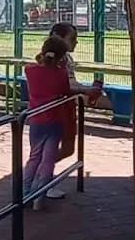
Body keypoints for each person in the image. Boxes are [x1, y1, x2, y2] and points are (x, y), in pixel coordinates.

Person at [40, 24, 103, 197]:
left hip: (67, 105)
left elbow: (70, 83)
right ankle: (43, 178)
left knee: (68, 148)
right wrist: (85, 90)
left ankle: (43, 174)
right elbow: (64, 86)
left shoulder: (67, 59)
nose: (76, 42)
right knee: (55, 146)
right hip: (58, 107)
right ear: (59, 38)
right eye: (72, 39)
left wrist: (85, 91)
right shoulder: (56, 62)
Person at [23, 36, 74, 210]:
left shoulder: (30, 71)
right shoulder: (61, 74)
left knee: (34, 157)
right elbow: (65, 91)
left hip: (36, 120)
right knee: (48, 159)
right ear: (62, 58)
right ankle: (40, 195)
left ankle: (25, 193)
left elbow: (34, 65)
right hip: (55, 120)